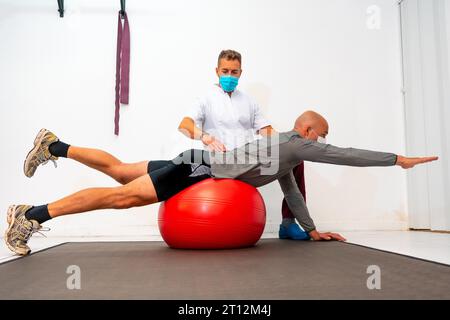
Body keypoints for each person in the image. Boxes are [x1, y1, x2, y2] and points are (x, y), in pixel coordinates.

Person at [5, 111, 438, 255]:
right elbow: (346, 156)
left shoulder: (283, 152)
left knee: (120, 171)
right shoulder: (294, 143)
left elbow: (291, 190)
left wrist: (310, 229)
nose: (323, 143)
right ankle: (31, 215)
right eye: (320, 136)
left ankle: (55, 146)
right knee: (121, 198)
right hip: (200, 169)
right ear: (308, 131)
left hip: (197, 161)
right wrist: (397, 160)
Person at [177, 49, 308, 240]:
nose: (229, 76)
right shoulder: (205, 99)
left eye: (234, 72)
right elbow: (184, 125)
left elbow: (267, 131)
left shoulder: (248, 101)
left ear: (240, 73)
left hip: (247, 164)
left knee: (296, 159)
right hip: (221, 165)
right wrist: (205, 136)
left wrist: (290, 144)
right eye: (225, 71)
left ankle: (288, 223)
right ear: (217, 71)